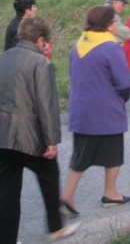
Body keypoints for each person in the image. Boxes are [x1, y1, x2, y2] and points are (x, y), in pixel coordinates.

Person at [0, 17, 80, 243]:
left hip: (2, 137)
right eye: (46, 42)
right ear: (41, 39)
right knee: (49, 174)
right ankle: (55, 227)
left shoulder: (2, 58)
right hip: (29, 137)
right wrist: (51, 140)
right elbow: (46, 106)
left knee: (8, 191)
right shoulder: (40, 63)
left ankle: (7, 238)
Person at [61, 6, 130, 212]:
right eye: (114, 22)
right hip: (106, 111)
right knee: (113, 154)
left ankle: (67, 196)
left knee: (80, 156)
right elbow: (124, 82)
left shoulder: (78, 45)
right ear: (109, 25)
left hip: (80, 110)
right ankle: (110, 193)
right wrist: (126, 95)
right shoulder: (111, 47)